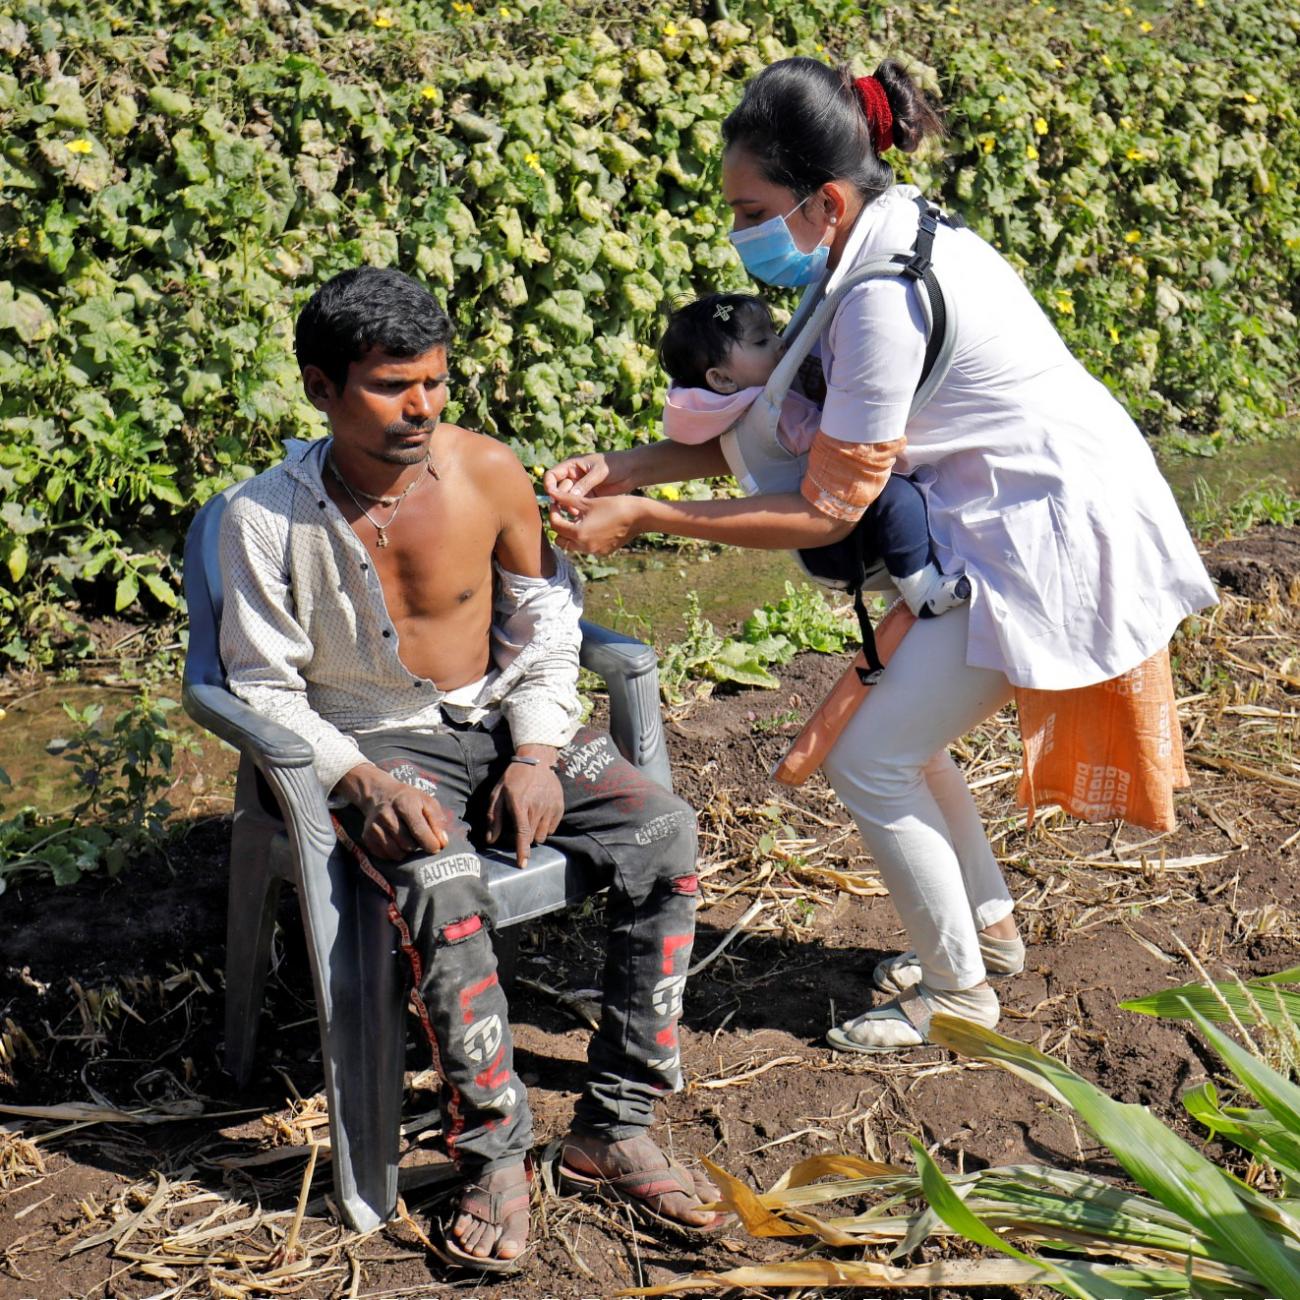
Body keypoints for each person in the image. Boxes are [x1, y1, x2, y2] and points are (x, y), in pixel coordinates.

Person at [545, 58, 1217, 1055]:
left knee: (871, 760)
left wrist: (646, 517)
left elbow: (823, 505)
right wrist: (627, 467)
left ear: (819, 198)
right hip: (999, 520)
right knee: (904, 739)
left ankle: (956, 998)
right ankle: (984, 934)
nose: (737, 234)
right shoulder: (866, 241)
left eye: (748, 209)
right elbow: (779, 422)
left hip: (1049, 538)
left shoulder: (879, 296)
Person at [218, 267, 720, 1271]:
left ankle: (612, 1126)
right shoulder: (263, 518)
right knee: (441, 882)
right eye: (390, 386)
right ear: (321, 387)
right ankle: (493, 1152)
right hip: (379, 746)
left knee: (663, 828)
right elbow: (259, 688)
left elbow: (545, 626)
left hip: (502, 720)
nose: (421, 407)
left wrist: (538, 750)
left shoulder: (487, 472)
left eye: (436, 383)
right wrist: (357, 779)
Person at [659, 290, 970, 620]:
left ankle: (908, 584)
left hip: (821, 543)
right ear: (721, 379)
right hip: (832, 542)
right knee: (897, 498)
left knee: (895, 497)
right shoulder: (771, 417)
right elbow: (841, 442)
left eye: (774, 332)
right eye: (761, 342)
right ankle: (923, 591)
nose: (780, 344)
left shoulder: (736, 410)